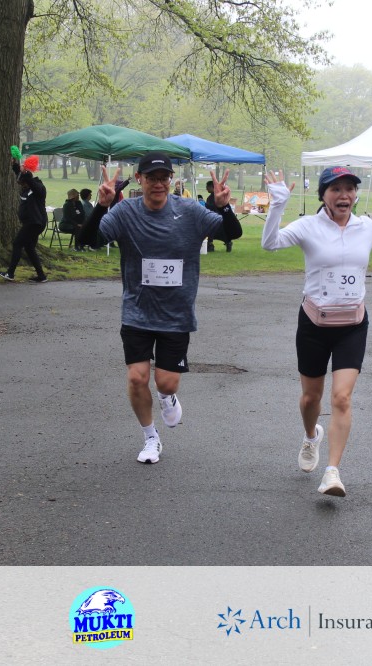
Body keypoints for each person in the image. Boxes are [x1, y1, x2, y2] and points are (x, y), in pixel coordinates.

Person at [262, 167, 372, 497]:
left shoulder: (366, 227)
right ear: (323, 195)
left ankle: (332, 472)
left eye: (349, 188)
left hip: (352, 325)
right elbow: (270, 243)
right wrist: (277, 204)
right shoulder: (308, 226)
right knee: (311, 398)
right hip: (314, 323)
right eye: (335, 189)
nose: (344, 195)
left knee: (342, 398)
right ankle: (311, 436)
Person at [91, 151, 243, 465]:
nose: (158, 184)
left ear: (171, 180)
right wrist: (101, 206)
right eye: (152, 178)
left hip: (176, 313)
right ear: (139, 179)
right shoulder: (126, 212)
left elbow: (232, 233)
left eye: (164, 178)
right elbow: (90, 239)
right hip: (137, 311)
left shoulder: (189, 211)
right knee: (137, 378)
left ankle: (166, 395)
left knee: (166, 381)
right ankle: (150, 438)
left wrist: (224, 206)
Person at [0, 158, 48, 283]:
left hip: (35, 222)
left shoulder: (38, 188)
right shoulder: (26, 188)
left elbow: (30, 181)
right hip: (31, 222)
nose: (20, 185)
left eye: (22, 183)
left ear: (27, 181)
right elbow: (19, 175)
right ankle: (41, 276)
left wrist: (26, 173)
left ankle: (10, 273)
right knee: (29, 248)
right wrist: (15, 165)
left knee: (17, 244)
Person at [204, 178, 234, 252]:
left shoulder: (213, 197)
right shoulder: (218, 196)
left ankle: (210, 245)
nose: (206, 189)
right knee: (219, 231)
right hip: (221, 216)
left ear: (212, 187)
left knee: (210, 231)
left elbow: (210, 207)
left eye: (207, 187)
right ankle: (227, 242)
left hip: (215, 217)